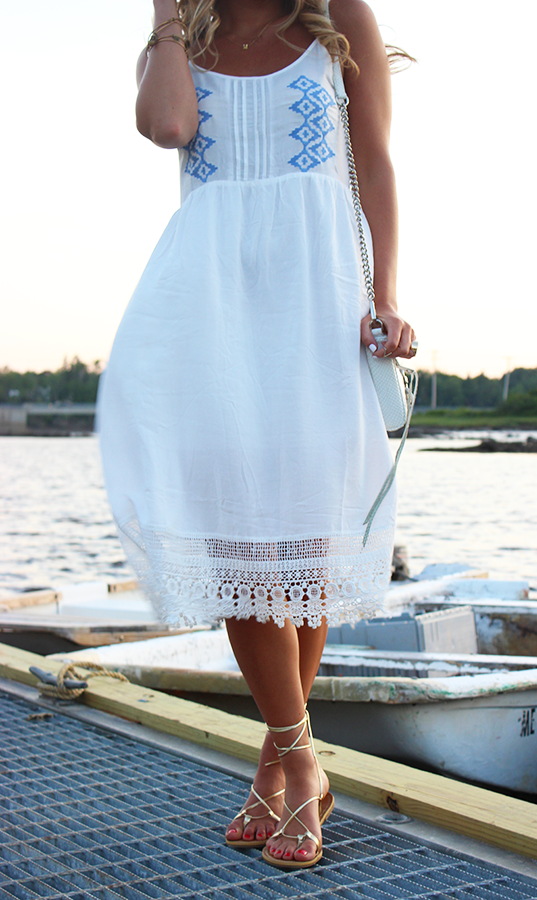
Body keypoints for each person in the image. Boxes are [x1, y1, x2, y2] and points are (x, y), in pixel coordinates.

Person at [98, 0, 416, 870]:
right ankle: (302, 758)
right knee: (233, 535)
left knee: (309, 548)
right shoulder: (181, 42)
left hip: (316, 302)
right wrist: (167, 16)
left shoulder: (338, 20)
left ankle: (276, 773)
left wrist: (387, 296)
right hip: (209, 309)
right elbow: (166, 123)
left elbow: (376, 164)